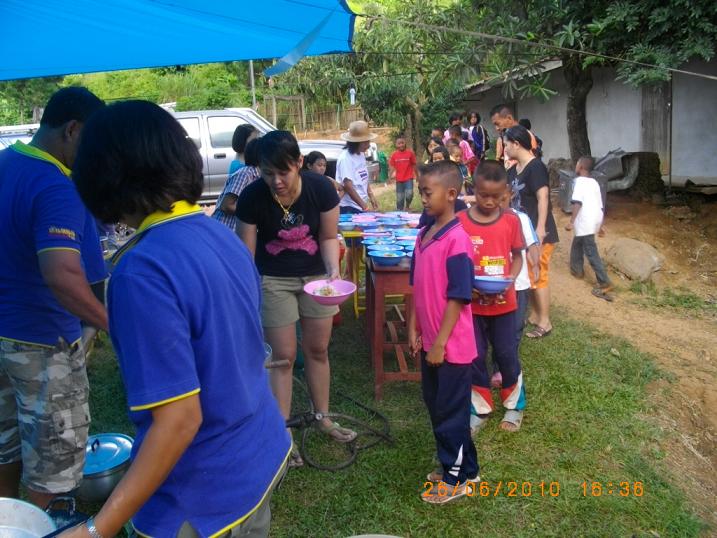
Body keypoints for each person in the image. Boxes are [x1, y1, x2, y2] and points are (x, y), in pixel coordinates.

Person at [68, 100, 290, 538]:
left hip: (201, 494)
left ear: (102, 176)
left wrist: (96, 528)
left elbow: (178, 420)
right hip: (258, 455)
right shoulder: (220, 233)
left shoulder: (141, 271)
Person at [0, 87, 108, 508]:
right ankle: (41, 528)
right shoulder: (57, 185)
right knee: (54, 460)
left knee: (6, 441)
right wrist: (110, 323)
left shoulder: (6, 162)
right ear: (72, 130)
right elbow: (62, 275)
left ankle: (8, 521)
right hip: (43, 342)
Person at [236, 131, 356, 471]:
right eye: (267, 173)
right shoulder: (251, 197)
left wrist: (332, 271)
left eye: (283, 172)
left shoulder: (320, 189)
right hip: (273, 280)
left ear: (299, 163)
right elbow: (245, 254)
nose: (276, 181)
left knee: (317, 349)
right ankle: (281, 433)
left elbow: (328, 236)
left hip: (316, 278)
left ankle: (323, 418)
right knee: (283, 357)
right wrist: (247, 292)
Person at [408, 160, 479, 504]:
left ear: (451, 194)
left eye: (428, 192)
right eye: (421, 192)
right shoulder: (423, 236)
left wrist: (439, 344)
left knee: (451, 413)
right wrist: (413, 327)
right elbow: (417, 287)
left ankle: (454, 479)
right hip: (431, 344)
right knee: (437, 406)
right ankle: (467, 468)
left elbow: (458, 297)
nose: (422, 198)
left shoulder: (458, 242)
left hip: (451, 348)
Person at [457, 160, 527, 433]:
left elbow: (518, 256)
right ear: (473, 188)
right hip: (471, 303)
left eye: (496, 197)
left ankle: (514, 405)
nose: (489, 201)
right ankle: (480, 407)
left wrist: (510, 279)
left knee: (506, 353)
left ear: (505, 193)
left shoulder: (511, 220)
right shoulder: (460, 221)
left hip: (503, 303)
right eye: (483, 195)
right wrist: (465, 285)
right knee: (474, 355)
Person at [505, 125, 559, 339]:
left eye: (507, 144)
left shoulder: (536, 167)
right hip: (523, 233)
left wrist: (541, 228)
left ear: (516, 144)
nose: (505, 149)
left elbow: (543, 197)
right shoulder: (514, 169)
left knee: (539, 274)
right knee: (530, 274)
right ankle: (536, 315)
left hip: (538, 232)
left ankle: (545, 321)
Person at [566, 156, 614, 301]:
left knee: (591, 252)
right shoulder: (594, 183)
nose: (575, 165)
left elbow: (577, 203)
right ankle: (577, 270)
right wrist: (600, 225)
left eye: (577, 163)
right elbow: (600, 204)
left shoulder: (579, 182)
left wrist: (571, 221)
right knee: (578, 242)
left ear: (580, 167)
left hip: (585, 222)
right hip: (594, 219)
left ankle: (604, 283)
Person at [213, 137, 261, 231]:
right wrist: (252, 213)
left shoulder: (260, 177)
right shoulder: (245, 174)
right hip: (226, 229)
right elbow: (226, 205)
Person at [337, 121, 379, 214]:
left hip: (359, 206)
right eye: (365, 142)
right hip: (349, 207)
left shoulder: (361, 154)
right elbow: (348, 187)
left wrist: (371, 195)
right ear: (356, 143)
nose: (368, 145)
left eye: (368, 141)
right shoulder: (346, 159)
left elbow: (363, 177)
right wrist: (365, 207)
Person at [490, 104, 539, 169]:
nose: (497, 128)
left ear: (509, 118)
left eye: (498, 124)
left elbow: (531, 165)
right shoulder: (507, 136)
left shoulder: (525, 135)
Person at [389, 135, 417, 211]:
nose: (401, 145)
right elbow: (392, 166)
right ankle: (399, 211)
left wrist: (417, 175)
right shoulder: (394, 155)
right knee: (400, 197)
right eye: (399, 143)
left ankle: (407, 206)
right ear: (396, 144)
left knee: (409, 194)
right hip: (399, 180)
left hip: (409, 178)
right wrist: (389, 177)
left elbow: (414, 165)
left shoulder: (410, 153)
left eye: (402, 143)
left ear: (405, 143)